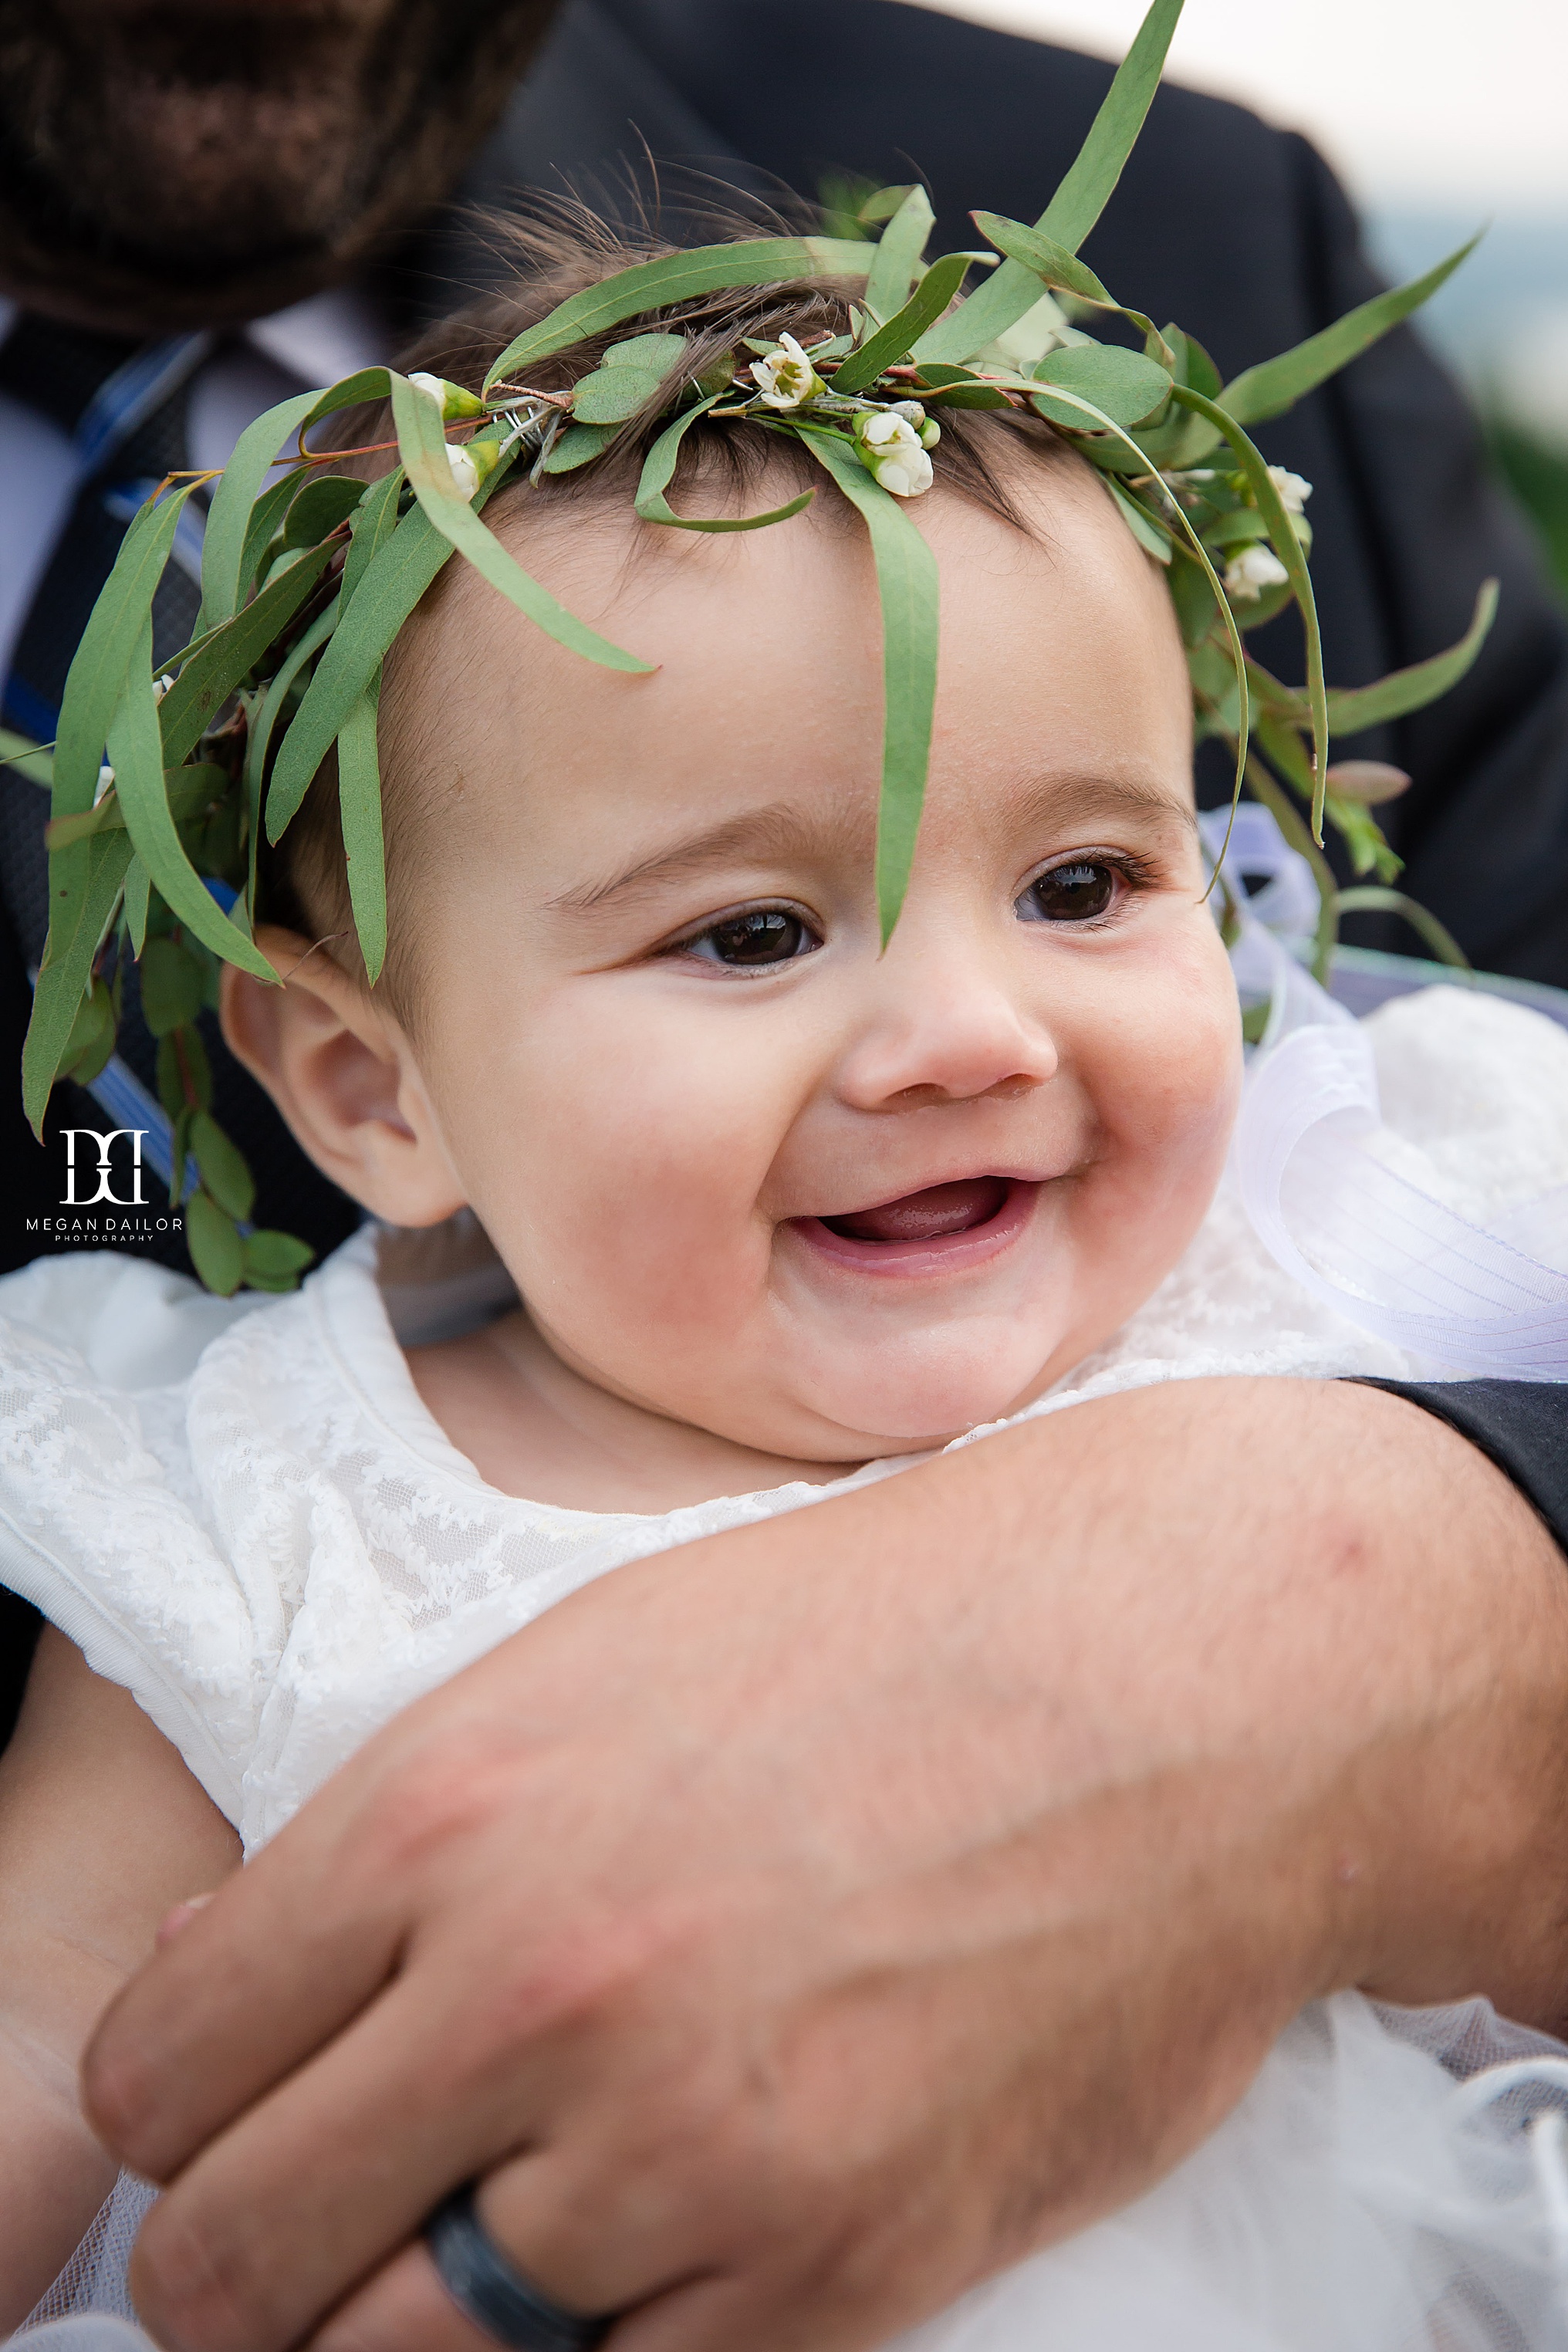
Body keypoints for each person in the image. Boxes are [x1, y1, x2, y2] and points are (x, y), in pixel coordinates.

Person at [2, 8, 1568, 2350]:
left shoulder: (1361, 1225)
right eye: (750, 934)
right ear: (364, 1084)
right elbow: (50, 2031)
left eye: (1084, 887)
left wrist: (1418, 1615)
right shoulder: (247, 1501)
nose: (965, 1037)